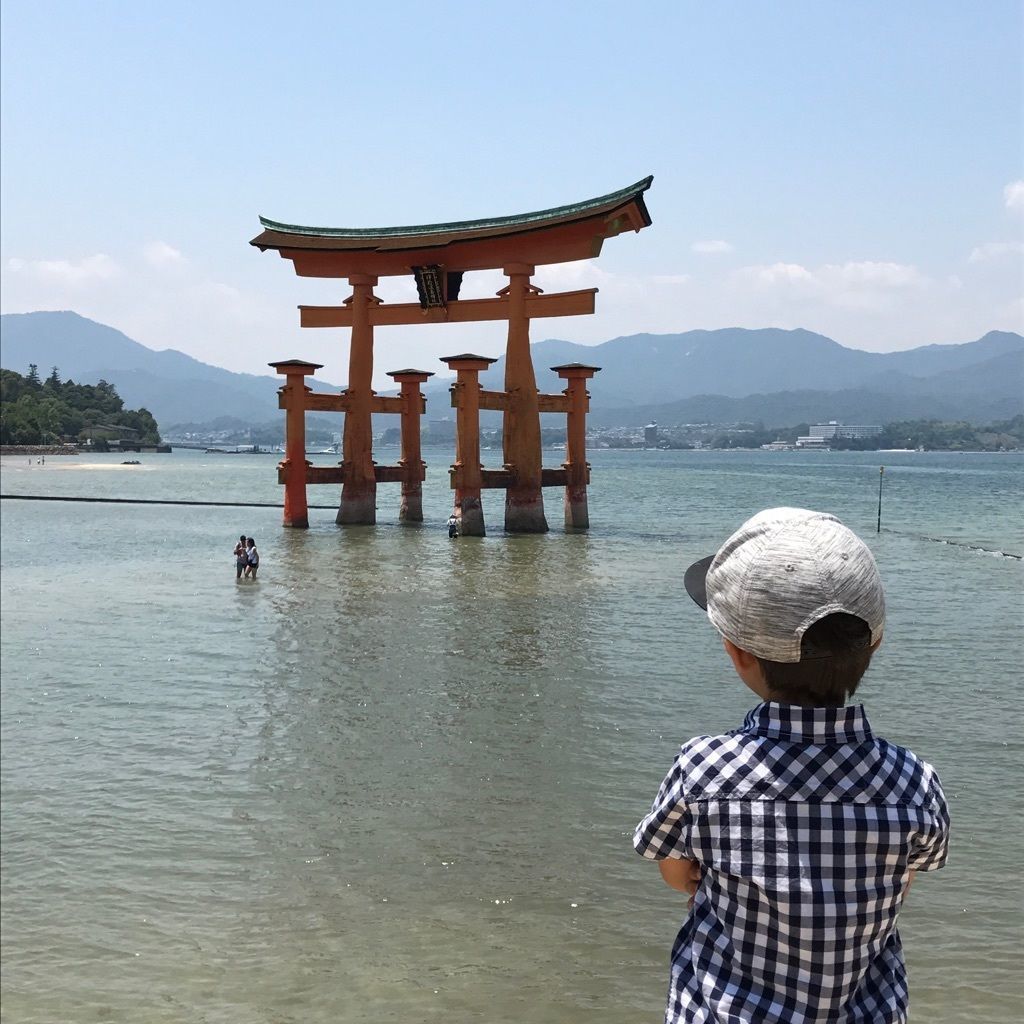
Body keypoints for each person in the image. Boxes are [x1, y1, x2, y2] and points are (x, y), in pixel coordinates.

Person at [633, 507, 949, 1024]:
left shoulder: (704, 769)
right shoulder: (913, 783)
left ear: (736, 653)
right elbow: (904, 881)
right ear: (876, 642)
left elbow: (674, 871)